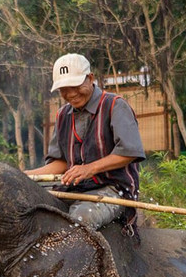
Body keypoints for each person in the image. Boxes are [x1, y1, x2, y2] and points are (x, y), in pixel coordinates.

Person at [26, 53, 146, 232]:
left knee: (79, 219)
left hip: (113, 189)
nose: (71, 94)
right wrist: (27, 176)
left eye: (75, 85)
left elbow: (129, 152)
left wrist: (89, 168)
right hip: (75, 188)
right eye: (64, 89)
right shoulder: (62, 115)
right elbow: (61, 163)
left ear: (90, 78)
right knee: (29, 202)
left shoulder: (115, 106)